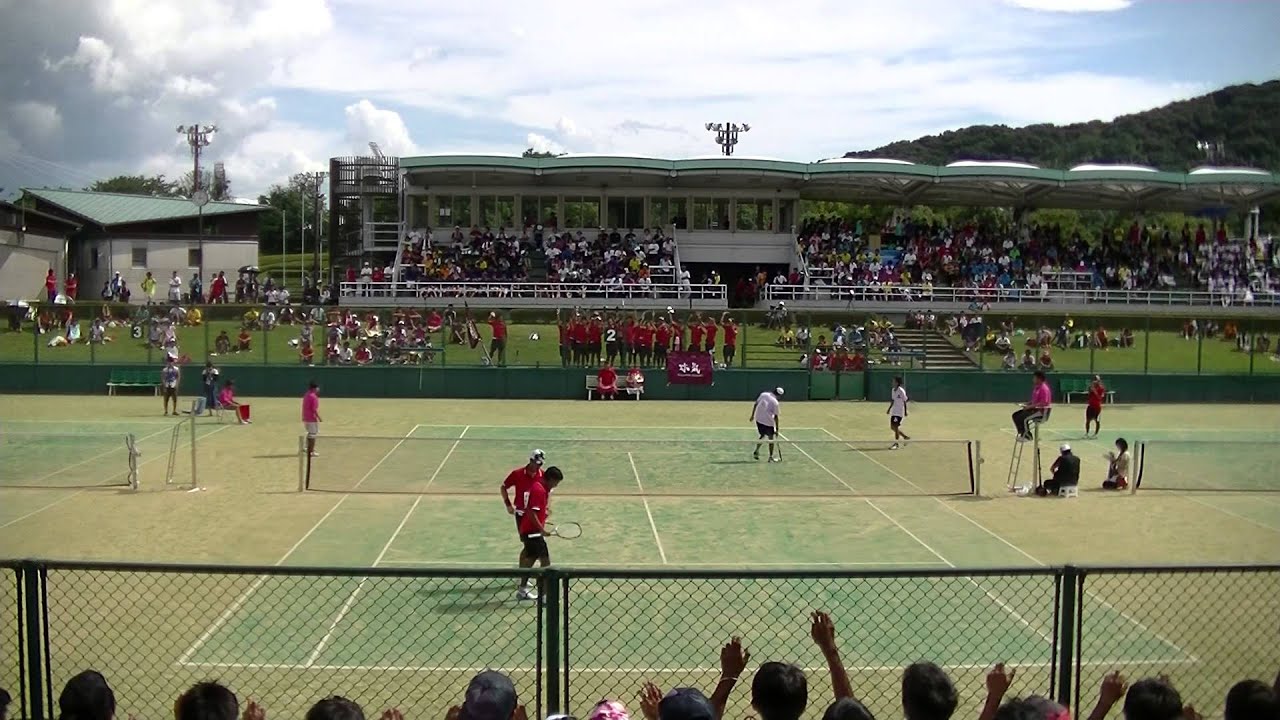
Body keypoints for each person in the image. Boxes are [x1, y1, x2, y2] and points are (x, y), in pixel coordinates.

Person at [515, 465, 564, 602]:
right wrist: (541, 530)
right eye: (556, 482)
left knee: (529, 559)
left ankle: (523, 590)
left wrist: (544, 516)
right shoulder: (539, 490)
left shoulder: (541, 488)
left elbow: (535, 511)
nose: (556, 485)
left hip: (530, 531)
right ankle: (543, 596)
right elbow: (531, 512)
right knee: (545, 562)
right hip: (532, 533)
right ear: (550, 479)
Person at [502, 450, 546, 539]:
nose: (538, 466)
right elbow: (503, 487)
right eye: (537, 463)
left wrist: (547, 508)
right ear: (531, 460)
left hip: (536, 514)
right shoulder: (517, 474)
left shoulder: (543, 476)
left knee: (535, 541)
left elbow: (548, 493)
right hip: (521, 514)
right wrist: (508, 505)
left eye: (540, 464)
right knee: (526, 540)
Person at [1012, 371, 1052, 441]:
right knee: (1015, 415)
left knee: (1023, 417)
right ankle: (1022, 433)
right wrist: (1027, 404)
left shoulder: (1044, 389)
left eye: (1034, 378)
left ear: (1039, 379)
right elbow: (1035, 401)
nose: (1033, 379)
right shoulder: (1037, 388)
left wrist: (1029, 407)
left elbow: (1044, 403)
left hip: (1041, 412)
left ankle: (1028, 436)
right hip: (1034, 409)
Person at [752, 387, 783, 463]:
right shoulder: (775, 402)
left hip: (758, 419)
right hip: (768, 422)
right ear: (779, 395)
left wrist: (752, 415)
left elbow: (755, 404)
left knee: (762, 435)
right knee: (771, 438)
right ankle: (771, 457)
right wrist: (777, 429)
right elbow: (776, 416)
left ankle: (756, 450)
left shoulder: (763, 394)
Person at [888, 376, 911, 449]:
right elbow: (893, 400)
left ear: (897, 383)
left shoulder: (901, 391)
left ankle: (896, 444)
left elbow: (905, 401)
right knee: (892, 427)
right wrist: (889, 409)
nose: (892, 382)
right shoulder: (893, 390)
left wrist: (905, 411)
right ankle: (905, 437)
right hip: (894, 412)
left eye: (894, 381)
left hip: (899, 412)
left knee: (896, 427)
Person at [302, 381, 321, 457]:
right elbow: (314, 409)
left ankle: (306, 448)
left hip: (306, 418)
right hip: (311, 419)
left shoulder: (306, 394)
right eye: (317, 387)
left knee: (310, 433)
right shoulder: (313, 396)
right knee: (313, 435)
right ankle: (311, 452)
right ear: (315, 388)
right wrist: (319, 417)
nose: (318, 389)